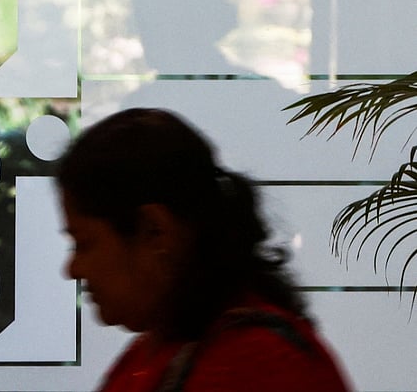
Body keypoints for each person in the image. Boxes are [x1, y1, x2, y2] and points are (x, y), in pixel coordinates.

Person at [57, 108, 351, 392]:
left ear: (156, 231)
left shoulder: (255, 365)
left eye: (84, 243)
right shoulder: (160, 349)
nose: (72, 269)